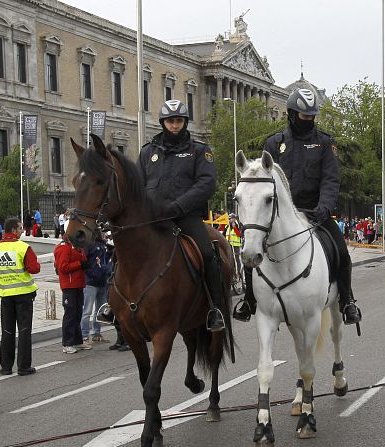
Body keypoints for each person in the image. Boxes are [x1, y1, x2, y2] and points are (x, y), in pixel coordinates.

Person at [234, 88, 362, 325]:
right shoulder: (274, 143)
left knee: (341, 251)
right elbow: (266, 180)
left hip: (315, 212)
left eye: (312, 116)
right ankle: (249, 300)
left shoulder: (325, 143)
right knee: (252, 248)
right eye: (305, 116)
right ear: (293, 115)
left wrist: (324, 207)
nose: (309, 120)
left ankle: (347, 300)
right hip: (281, 215)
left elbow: (330, 179)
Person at [136, 98, 225, 332]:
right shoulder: (148, 152)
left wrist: (177, 207)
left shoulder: (199, 150)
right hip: (154, 218)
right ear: (163, 123)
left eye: (178, 121)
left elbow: (206, 184)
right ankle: (115, 305)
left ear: (185, 122)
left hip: (186, 216)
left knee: (207, 253)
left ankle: (215, 308)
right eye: (170, 121)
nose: (174, 125)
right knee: (122, 251)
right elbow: (137, 186)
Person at [0, 217, 41, 375]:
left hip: (6, 295)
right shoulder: (23, 247)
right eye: (20, 228)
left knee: (7, 331)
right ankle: (23, 367)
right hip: (24, 295)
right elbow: (34, 268)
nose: (22, 231)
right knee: (24, 331)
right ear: (14, 230)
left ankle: (6, 367)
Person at [54, 233, 89, 353]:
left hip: (78, 284)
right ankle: (67, 343)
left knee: (77, 314)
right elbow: (62, 267)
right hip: (69, 286)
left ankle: (77, 341)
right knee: (70, 315)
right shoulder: (64, 247)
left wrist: (84, 264)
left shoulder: (76, 247)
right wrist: (80, 264)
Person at [81, 231, 111, 344]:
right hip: (91, 282)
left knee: (100, 310)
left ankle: (96, 333)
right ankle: (84, 335)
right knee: (87, 311)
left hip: (102, 281)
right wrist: (91, 273)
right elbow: (84, 261)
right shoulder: (88, 245)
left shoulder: (103, 245)